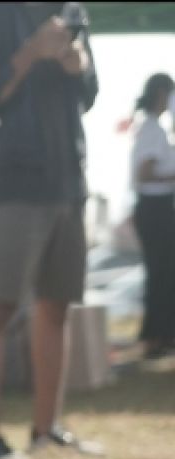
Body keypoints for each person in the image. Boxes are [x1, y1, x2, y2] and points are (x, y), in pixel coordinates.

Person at [0, 2, 104, 459]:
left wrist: (76, 65)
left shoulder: (71, 10)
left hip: (69, 181)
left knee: (56, 305)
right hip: (14, 183)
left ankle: (47, 430)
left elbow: (91, 93)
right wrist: (30, 53)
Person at [129, 73, 175, 359]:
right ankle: (155, 338)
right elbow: (144, 173)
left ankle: (162, 335)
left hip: (158, 208)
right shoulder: (152, 129)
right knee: (160, 273)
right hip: (154, 209)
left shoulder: (153, 129)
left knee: (164, 273)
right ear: (161, 94)